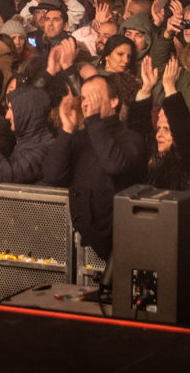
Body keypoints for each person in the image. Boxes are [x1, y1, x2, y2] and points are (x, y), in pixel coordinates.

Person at [41, 75, 145, 262]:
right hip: (82, 239)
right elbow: (51, 175)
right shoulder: (80, 138)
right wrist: (66, 132)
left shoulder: (131, 139)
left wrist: (94, 122)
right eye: (84, 98)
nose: (87, 102)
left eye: (94, 96)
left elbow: (113, 164)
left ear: (114, 101)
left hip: (121, 242)